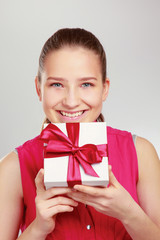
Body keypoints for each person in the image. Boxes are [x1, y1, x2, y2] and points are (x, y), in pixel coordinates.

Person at [0, 28, 160, 240]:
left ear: (104, 88)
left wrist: (129, 213)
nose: (71, 101)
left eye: (86, 84)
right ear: (39, 88)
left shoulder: (140, 152)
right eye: (57, 84)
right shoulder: (13, 167)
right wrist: (38, 228)